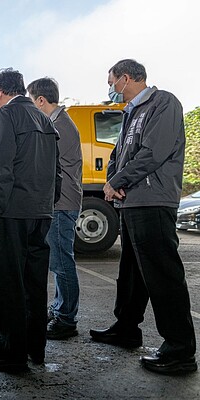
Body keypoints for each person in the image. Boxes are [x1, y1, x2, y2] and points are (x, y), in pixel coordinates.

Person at [90, 59, 197, 375]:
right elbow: (118, 155)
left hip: (153, 200)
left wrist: (118, 181)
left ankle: (179, 350)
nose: (111, 89)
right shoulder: (129, 113)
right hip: (132, 202)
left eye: (112, 82)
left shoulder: (162, 103)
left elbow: (154, 152)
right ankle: (126, 329)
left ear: (125, 78)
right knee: (132, 272)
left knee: (163, 275)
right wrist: (113, 181)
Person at [0, 68, 62, 371]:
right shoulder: (45, 119)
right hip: (41, 214)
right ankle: (35, 349)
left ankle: (11, 354)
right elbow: (57, 173)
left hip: (11, 214)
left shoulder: (5, 117)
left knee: (5, 283)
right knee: (34, 284)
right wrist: (46, 205)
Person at [27, 77, 83, 340]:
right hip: (60, 202)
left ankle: (66, 320)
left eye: (31, 101)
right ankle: (61, 309)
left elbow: (46, 165)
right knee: (59, 261)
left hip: (61, 204)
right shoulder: (57, 123)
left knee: (62, 263)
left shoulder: (60, 126)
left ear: (40, 100)